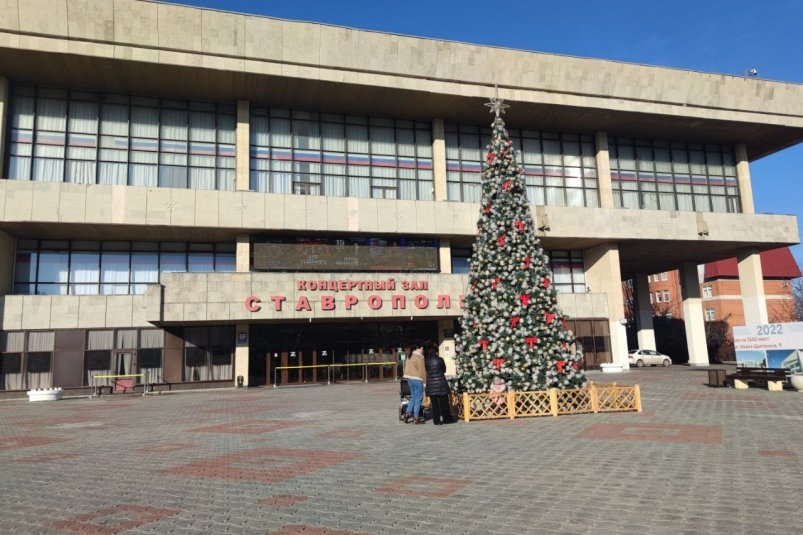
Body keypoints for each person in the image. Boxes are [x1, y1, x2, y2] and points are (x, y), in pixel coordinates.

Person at [425, 344, 455, 425]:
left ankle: (436, 421)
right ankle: (447, 419)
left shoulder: (427, 361)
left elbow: (427, 370)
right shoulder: (440, 359)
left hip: (431, 384)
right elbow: (444, 370)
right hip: (441, 383)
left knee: (434, 404)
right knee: (444, 402)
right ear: (436, 352)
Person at [402, 344, 426, 424]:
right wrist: (425, 382)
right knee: (418, 399)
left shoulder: (410, 356)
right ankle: (416, 418)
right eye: (422, 349)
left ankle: (407, 414)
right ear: (419, 349)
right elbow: (422, 370)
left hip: (409, 379)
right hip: (417, 379)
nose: (423, 350)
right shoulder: (420, 357)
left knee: (413, 397)